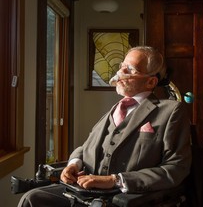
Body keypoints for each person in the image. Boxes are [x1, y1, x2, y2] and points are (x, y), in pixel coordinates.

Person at [18, 46, 192, 207]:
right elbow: (86, 147)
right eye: (122, 65)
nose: (120, 72)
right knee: (32, 199)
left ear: (150, 82)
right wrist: (74, 165)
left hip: (125, 197)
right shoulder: (115, 110)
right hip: (85, 192)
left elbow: (175, 168)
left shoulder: (170, 111)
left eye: (130, 69)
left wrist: (114, 180)